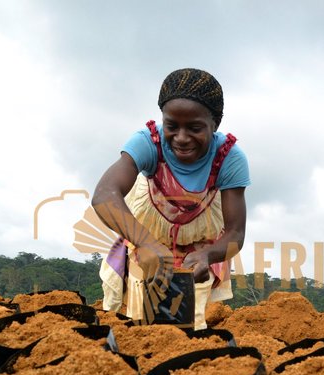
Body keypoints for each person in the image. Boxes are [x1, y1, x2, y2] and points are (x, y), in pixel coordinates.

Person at [92, 68, 250, 329]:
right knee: (133, 327)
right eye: (172, 126)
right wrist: (146, 244)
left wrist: (207, 256)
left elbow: (235, 233)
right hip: (144, 246)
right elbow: (104, 195)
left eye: (195, 128)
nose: (182, 138)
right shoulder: (148, 143)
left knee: (189, 330)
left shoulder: (230, 159)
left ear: (215, 125)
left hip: (194, 259)